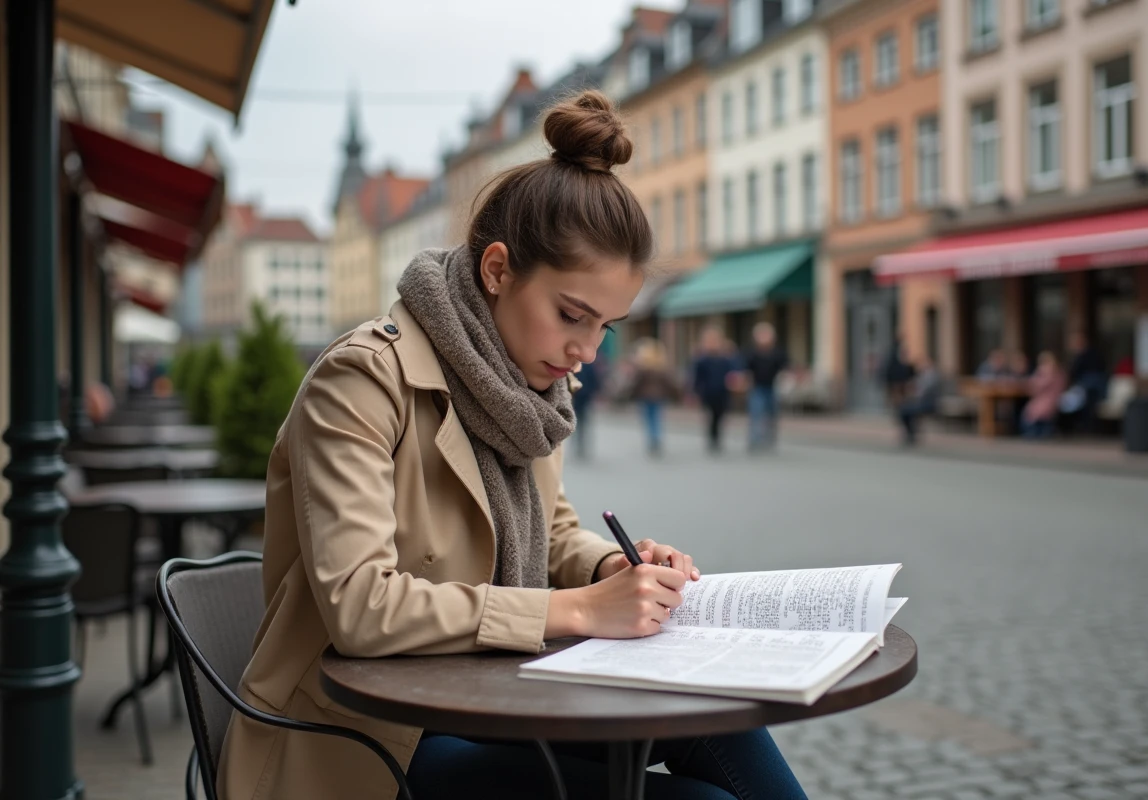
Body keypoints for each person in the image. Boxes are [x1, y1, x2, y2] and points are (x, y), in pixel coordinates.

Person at [218, 91, 807, 800]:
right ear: (497, 270)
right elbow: (361, 607)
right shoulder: (362, 380)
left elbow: (550, 533)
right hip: (369, 738)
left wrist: (616, 568)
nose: (588, 350)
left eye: (606, 327)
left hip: (494, 693)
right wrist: (581, 610)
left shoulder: (529, 389)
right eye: (572, 315)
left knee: (723, 717)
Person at [691, 326, 739, 454]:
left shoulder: (725, 359)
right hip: (708, 392)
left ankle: (717, 436)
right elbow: (697, 377)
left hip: (722, 392)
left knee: (720, 415)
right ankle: (712, 437)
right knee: (711, 415)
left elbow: (733, 372)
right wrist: (695, 392)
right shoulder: (702, 360)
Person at [629, 337, 679, 456]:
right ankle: (656, 436)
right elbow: (670, 383)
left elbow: (636, 384)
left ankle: (652, 438)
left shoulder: (643, 369)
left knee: (649, 418)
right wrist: (676, 394)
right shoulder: (661, 368)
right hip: (659, 397)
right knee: (656, 417)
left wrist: (631, 395)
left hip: (646, 397)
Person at [742, 322, 788, 451]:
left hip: (773, 387)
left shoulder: (778, 353)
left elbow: (785, 368)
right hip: (757, 388)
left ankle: (769, 439)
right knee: (756, 414)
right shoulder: (751, 353)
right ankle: (755, 440)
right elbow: (745, 369)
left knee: (772, 415)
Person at [1064, 331, 1108, 433]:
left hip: (1089, 387)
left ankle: (1084, 426)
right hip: (1093, 387)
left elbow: (1074, 371)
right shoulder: (1090, 354)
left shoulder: (1084, 355)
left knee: (1084, 405)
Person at [895, 356, 941, 445]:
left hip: (929, 402)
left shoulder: (932, 376)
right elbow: (913, 388)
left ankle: (912, 433)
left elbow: (922, 391)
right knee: (903, 409)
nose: (920, 366)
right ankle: (910, 433)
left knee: (909, 410)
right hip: (920, 402)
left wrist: (914, 392)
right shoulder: (921, 375)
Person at [1022, 351, 1066, 439]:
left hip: (1047, 401)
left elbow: (1035, 385)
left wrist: (1039, 374)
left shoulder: (1048, 373)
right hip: (1052, 400)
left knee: (1031, 413)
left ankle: (1035, 431)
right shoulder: (1060, 373)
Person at [571, 352, 605, 460]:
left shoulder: (575, 365)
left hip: (578, 396)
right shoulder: (588, 365)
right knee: (582, 422)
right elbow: (595, 381)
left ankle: (579, 445)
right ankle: (581, 445)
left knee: (578, 422)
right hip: (584, 397)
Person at [880, 334, 914, 409]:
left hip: (895, 377)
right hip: (896, 377)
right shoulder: (895, 351)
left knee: (896, 394)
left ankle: (898, 408)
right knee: (896, 393)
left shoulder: (892, 350)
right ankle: (898, 408)